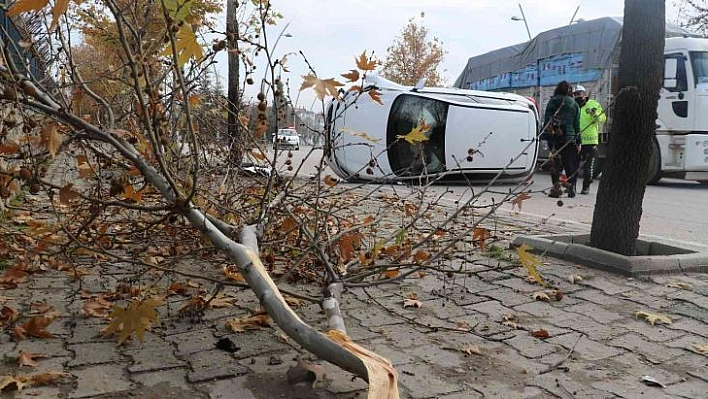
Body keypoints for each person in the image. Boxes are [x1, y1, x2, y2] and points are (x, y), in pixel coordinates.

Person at [543, 80, 581, 198]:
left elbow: (548, 120)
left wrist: (548, 135)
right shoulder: (574, 104)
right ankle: (571, 188)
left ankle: (556, 189)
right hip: (570, 137)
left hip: (555, 137)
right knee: (570, 164)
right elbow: (576, 124)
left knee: (556, 164)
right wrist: (578, 141)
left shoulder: (552, 102)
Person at [573, 85, 607, 194]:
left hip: (590, 141)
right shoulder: (573, 106)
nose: (579, 96)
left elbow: (602, 119)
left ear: (585, 93)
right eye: (576, 94)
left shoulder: (594, 104)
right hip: (576, 140)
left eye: (580, 93)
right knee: (573, 166)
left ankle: (586, 187)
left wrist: (594, 115)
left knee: (589, 167)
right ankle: (571, 187)